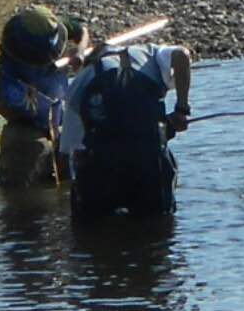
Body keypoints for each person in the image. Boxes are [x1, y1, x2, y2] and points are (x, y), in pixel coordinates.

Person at [66, 34, 193, 222]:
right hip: (150, 166)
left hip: (103, 171)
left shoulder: (79, 83)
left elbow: (73, 151)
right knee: (158, 226)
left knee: (92, 228)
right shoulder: (149, 53)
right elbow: (182, 55)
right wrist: (181, 110)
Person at [0, 4, 84, 194]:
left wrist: (79, 52)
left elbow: (82, 31)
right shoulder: (9, 64)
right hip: (26, 128)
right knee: (23, 191)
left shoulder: (53, 26)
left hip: (58, 118)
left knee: (68, 179)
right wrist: (30, 107)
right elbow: (2, 105)